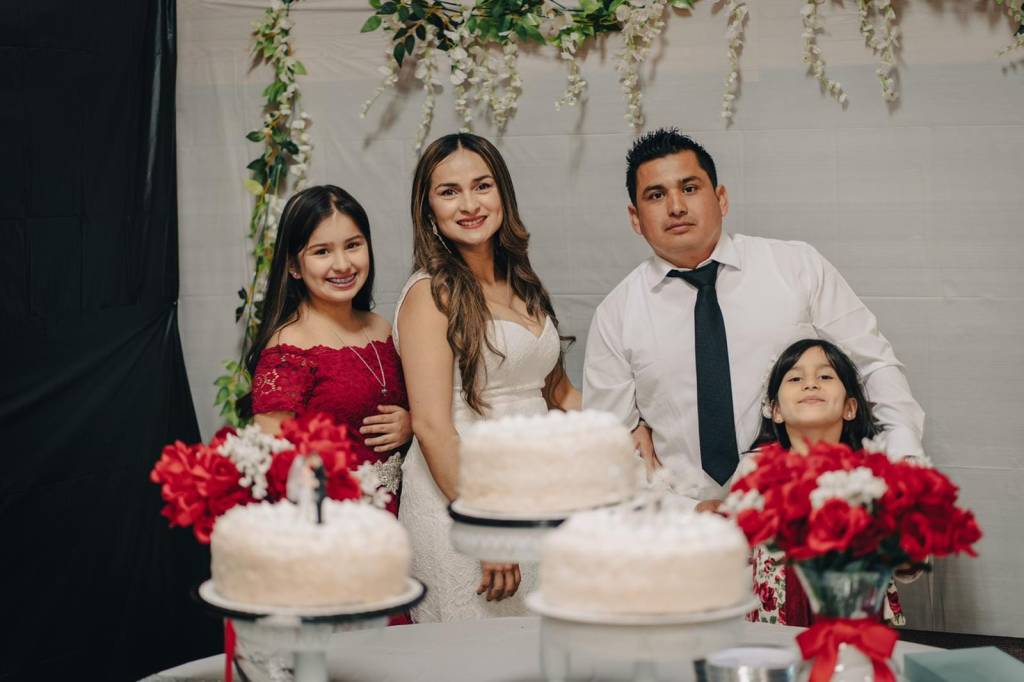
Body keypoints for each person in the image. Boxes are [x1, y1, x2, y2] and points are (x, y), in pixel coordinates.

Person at [583, 128, 925, 510]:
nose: (676, 206)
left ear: (722, 198)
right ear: (635, 217)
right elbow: (609, 450)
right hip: (686, 529)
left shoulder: (796, 267)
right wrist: (689, 512)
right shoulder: (616, 315)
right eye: (656, 195)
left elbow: (873, 365)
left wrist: (903, 464)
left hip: (805, 510)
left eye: (690, 188)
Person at [394, 133, 580, 622]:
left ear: (504, 194)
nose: (470, 204)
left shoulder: (522, 281)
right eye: (449, 192)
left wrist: (627, 434)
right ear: (428, 208)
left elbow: (556, 391)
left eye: (483, 186)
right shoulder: (429, 295)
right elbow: (432, 426)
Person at [244, 185, 412, 517]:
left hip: (400, 517)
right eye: (322, 251)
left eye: (353, 246)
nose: (343, 264)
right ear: (294, 266)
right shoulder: (286, 352)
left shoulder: (380, 327)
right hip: (332, 526)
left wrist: (411, 424)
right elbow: (274, 466)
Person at [746, 338, 907, 626]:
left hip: (857, 629)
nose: (811, 384)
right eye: (795, 378)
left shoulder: (872, 476)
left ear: (850, 407)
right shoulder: (756, 474)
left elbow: (905, 557)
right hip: (776, 630)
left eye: (825, 376)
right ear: (776, 411)